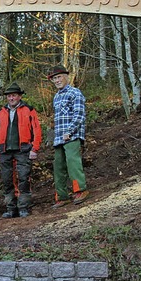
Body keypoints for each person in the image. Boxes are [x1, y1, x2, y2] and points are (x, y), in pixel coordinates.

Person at [0, 82, 42, 218]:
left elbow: (37, 130)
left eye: (14, 95)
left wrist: (34, 148)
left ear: (19, 96)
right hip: (4, 150)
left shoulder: (29, 109)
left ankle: (23, 207)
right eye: (9, 96)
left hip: (24, 149)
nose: (11, 98)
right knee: (7, 179)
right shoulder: (1, 112)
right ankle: (10, 208)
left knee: (24, 177)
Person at [46, 65, 89, 208]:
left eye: (58, 77)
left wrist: (69, 132)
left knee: (73, 163)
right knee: (58, 167)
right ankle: (62, 196)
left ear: (66, 77)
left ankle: (80, 190)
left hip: (72, 136)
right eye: (54, 79)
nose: (57, 81)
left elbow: (79, 115)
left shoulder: (75, 93)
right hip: (59, 138)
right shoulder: (56, 97)